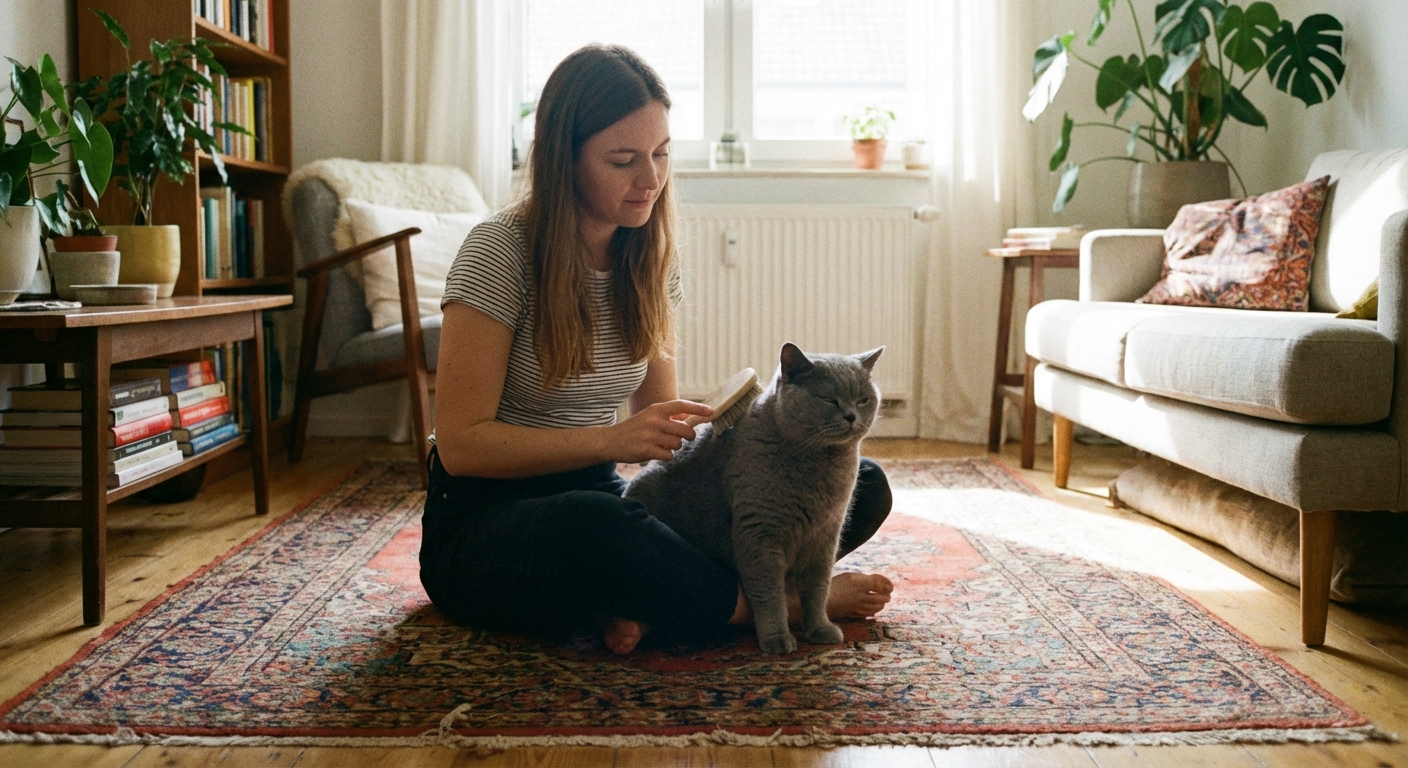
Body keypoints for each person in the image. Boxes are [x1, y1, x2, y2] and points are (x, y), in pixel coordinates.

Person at [420, 44, 894, 654]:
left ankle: (653, 605)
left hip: (598, 493)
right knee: (598, 529)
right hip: (490, 523)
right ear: (564, 160)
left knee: (856, 481)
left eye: (662, 154)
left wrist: (745, 431)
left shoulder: (647, 259)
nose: (650, 179)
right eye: (623, 160)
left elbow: (664, 426)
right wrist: (613, 440)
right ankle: (780, 605)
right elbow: (460, 447)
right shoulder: (498, 253)